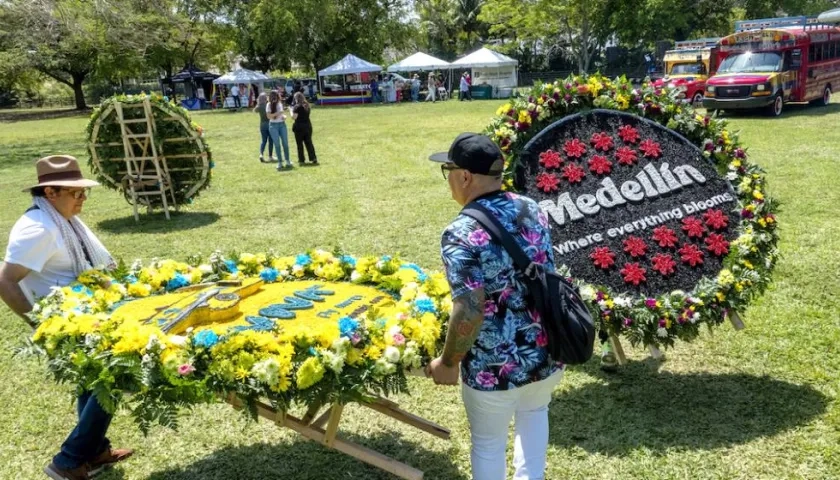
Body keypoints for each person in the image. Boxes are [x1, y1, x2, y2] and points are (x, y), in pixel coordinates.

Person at [426, 133, 563, 480]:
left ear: (465, 177)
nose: (449, 181)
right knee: (534, 418)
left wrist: (448, 362)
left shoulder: (461, 231)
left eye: (448, 171)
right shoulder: (532, 207)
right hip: (547, 351)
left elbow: (470, 309)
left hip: (493, 368)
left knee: (488, 444)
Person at [0, 155, 134, 480]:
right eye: (76, 193)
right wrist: (42, 326)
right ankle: (69, 460)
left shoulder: (61, 218)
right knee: (112, 379)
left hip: (87, 315)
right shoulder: (38, 229)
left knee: (93, 383)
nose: (83, 198)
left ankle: (96, 451)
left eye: (84, 192)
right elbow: (4, 280)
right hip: (66, 321)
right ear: (50, 192)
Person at [290, 91, 318, 166]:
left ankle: (301, 159)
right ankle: (313, 158)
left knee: (299, 144)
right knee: (309, 143)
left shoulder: (297, 107)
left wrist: (291, 111)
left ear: (296, 99)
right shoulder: (307, 105)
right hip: (308, 126)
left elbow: (294, 117)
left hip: (299, 127)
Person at [266, 90, 292, 170]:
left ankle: (287, 160)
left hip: (282, 125)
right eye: (275, 96)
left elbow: (281, 114)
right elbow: (268, 116)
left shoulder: (279, 103)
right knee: (277, 144)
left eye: (277, 96)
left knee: (285, 143)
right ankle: (280, 162)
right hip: (273, 126)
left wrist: (284, 116)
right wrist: (278, 113)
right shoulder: (268, 105)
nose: (276, 98)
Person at [254, 92, 274, 163]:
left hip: (262, 125)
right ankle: (270, 156)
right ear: (266, 98)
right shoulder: (268, 105)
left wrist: (258, 103)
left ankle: (261, 154)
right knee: (271, 140)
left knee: (263, 141)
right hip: (270, 124)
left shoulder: (259, 107)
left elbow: (254, 110)